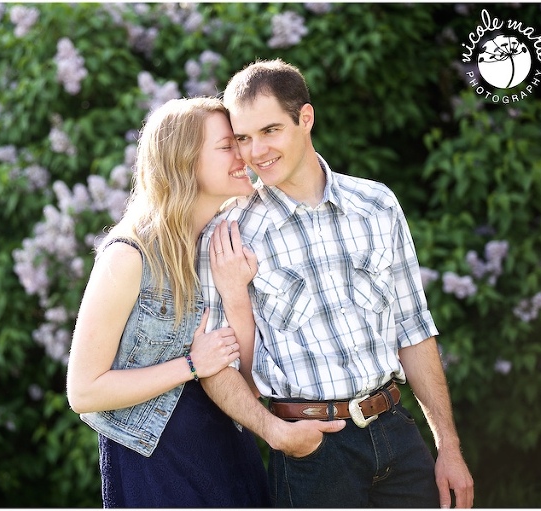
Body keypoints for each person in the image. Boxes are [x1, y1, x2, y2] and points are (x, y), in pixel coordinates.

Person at [197, 59, 475, 508]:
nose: (256, 152)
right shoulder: (228, 235)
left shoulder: (377, 204)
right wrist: (277, 434)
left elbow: (414, 329)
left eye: (270, 130)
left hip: (397, 434)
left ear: (305, 118)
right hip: (312, 451)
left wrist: (449, 446)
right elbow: (216, 365)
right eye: (243, 138)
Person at [66, 97, 275, 507]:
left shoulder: (227, 244)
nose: (244, 154)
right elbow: (84, 391)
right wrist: (191, 365)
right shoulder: (129, 256)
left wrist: (236, 293)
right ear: (185, 162)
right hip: (156, 463)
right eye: (227, 145)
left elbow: (250, 386)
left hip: (229, 451)